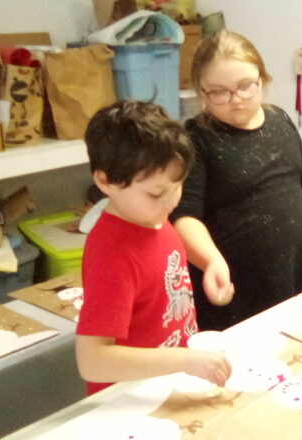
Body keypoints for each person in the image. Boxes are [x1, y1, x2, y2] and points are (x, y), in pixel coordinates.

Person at [171, 30, 302, 331]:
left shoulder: (280, 121)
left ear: (262, 79)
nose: (235, 100)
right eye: (219, 92)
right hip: (236, 283)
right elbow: (184, 217)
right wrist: (210, 262)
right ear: (200, 91)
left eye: (245, 86)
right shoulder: (197, 139)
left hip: (294, 271)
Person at [75, 100, 231, 395]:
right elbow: (91, 360)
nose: (172, 202)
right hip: (128, 400)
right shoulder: (113, 254)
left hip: (165, 383)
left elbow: (160, 256)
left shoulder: (151, 216)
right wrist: (184, 360)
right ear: (106, 181)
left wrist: (209, 263)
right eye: (157, 193)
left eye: (178, 185)